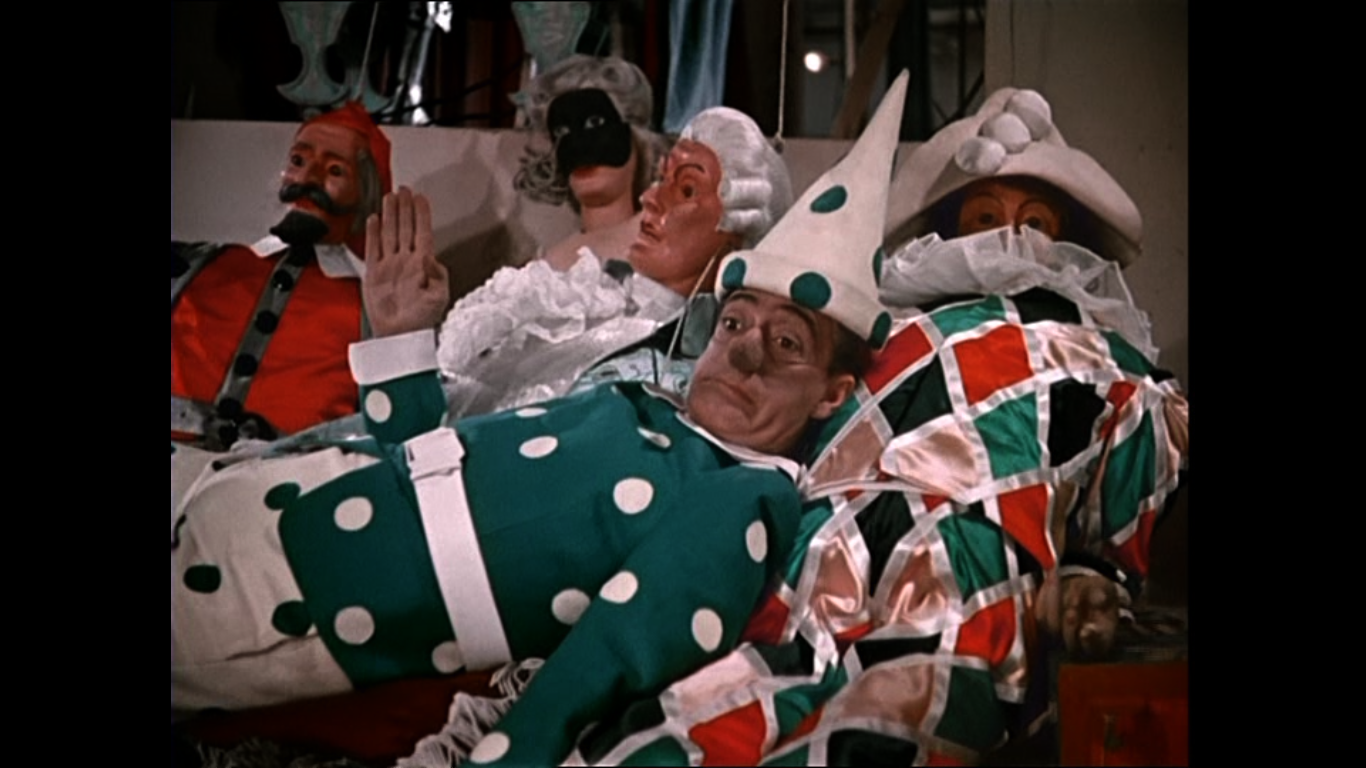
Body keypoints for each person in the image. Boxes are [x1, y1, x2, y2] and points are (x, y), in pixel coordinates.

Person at [171, 72, 909, 768]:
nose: (745, 353)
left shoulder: (729, 470)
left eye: (685, 189)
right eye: (737, 325)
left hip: (318, 584)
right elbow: (434, 455)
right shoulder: (626, 369)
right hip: (278, 480)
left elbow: (604, 647)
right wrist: (397, 342)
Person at [171, 102, 392, 451]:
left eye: (334, 170)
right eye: (298, 161)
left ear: (367, 193)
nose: (306, 179)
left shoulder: (375, 308)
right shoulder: (204, 263)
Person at [511, 55, 672, 271]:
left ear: (636, 138)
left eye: (595, 123)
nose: (578, 144)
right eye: (562, 132)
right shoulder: (547, 265)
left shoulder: (669, 243)